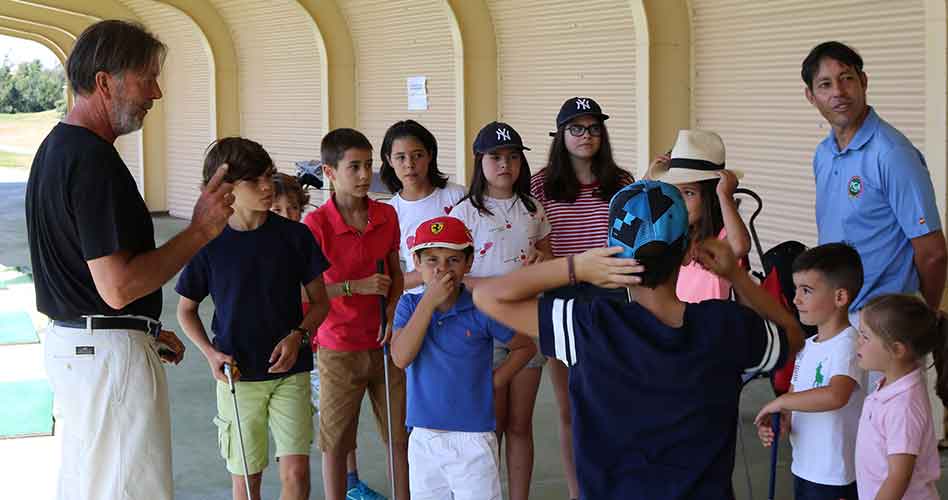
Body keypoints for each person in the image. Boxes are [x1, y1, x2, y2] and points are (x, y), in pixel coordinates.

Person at [473, 179, 804, 499]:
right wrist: (736, 274)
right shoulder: (724, 326)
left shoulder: (590, 327)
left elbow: (489, 297)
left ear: (614, 256)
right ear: (689, 251)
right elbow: (793, 336)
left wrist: (575, 266)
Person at [26, 20, 234, 500]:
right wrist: (201, 229)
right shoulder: (92, 160)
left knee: (93, 484)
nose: (156, 93)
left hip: (82, 347)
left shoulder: (57, 148)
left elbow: (77, 274)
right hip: (105, 360)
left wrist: (138, 327)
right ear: (105, 82)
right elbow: (117, 286)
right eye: (147, 77)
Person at [176, 137, 330, 500]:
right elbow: (186, 309)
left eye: (268, 176)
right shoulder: (207, 242)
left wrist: (298, 336)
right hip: (238, 376)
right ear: (225, 188)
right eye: (253, 181)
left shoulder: (295, 236)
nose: (266, 187)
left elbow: (320, 303)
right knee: (247, 479)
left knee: (296, 472)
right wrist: (210, 354)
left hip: (289, 373)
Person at [529, 96, 633, 499]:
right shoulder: (540, 184)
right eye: (577, 128)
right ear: (561, 135)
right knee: (570, 404)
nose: (586, 136)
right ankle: (579, 492)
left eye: (593, 128)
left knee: (613, 400)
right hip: (562, 297)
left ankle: (617, 483)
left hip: (612, 297)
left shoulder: (621, 182)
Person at [391, 216, 537, 500]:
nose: (442, 269)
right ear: (417, 263)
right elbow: (400, 357)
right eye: (432, 259)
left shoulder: (480, 306)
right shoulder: (409, 305)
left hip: (473, 437)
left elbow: (525, 347)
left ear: (469, 263)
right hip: (423, 434)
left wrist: (494, 382)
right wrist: (428, 303)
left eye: (453, 260)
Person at [303, 128, 409, 500]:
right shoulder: (315, 226)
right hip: (338, 347)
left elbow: (395, 274)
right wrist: (354, 287)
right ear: (329, 172)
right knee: (336, 440)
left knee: (399, 434)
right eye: (354, 167)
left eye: (368, 166)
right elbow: (304, 292)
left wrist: (394, 310)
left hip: (385, 345)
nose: (365, 175)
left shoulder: (387, 215)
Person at [450, 121, 551, 500]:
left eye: (513, 157)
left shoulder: (533, 208)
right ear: (480, 161)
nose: (505, 164)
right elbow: (454, 275)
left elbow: (548, 257)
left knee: (521, 424)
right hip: (482, 329)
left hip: (527, 325)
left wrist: (542, 261)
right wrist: (496, 289)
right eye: (496, 157)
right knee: (489, 426)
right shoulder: (464, 213)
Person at [754, 243, 866, 499]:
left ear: (840, 297)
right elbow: (796, 401)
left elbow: (836, 395)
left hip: (834, 476)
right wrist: (781, 420)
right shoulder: (807, 346)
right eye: (796, 290)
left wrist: (780, 401)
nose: (795, 300)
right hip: (805, 467)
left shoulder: (848, 344)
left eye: (807, 291)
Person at [854, 294, 946, 499]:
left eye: (865, 336)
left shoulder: (903, 406)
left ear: (896, 350)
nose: (857, 341)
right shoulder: (891, 387)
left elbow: (898, 478)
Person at [645, 129, 750, 302]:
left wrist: (725, 195)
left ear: (711, 196)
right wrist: (647, 182)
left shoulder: (720, 239)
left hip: (708, 327)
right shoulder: (673, 234)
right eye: (673, 192)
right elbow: (633, 223)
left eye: (689, 193)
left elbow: (740, 245)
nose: (678, 201)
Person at [380, 119, 466, 294]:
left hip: (461, 298)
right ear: (389, 160)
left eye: (417, 155)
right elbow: (392, 281)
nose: (409, 164)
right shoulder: (388, 213)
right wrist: (430, 272)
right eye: (400, 157)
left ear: (430, 154)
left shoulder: (457, 196)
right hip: (416, 303)